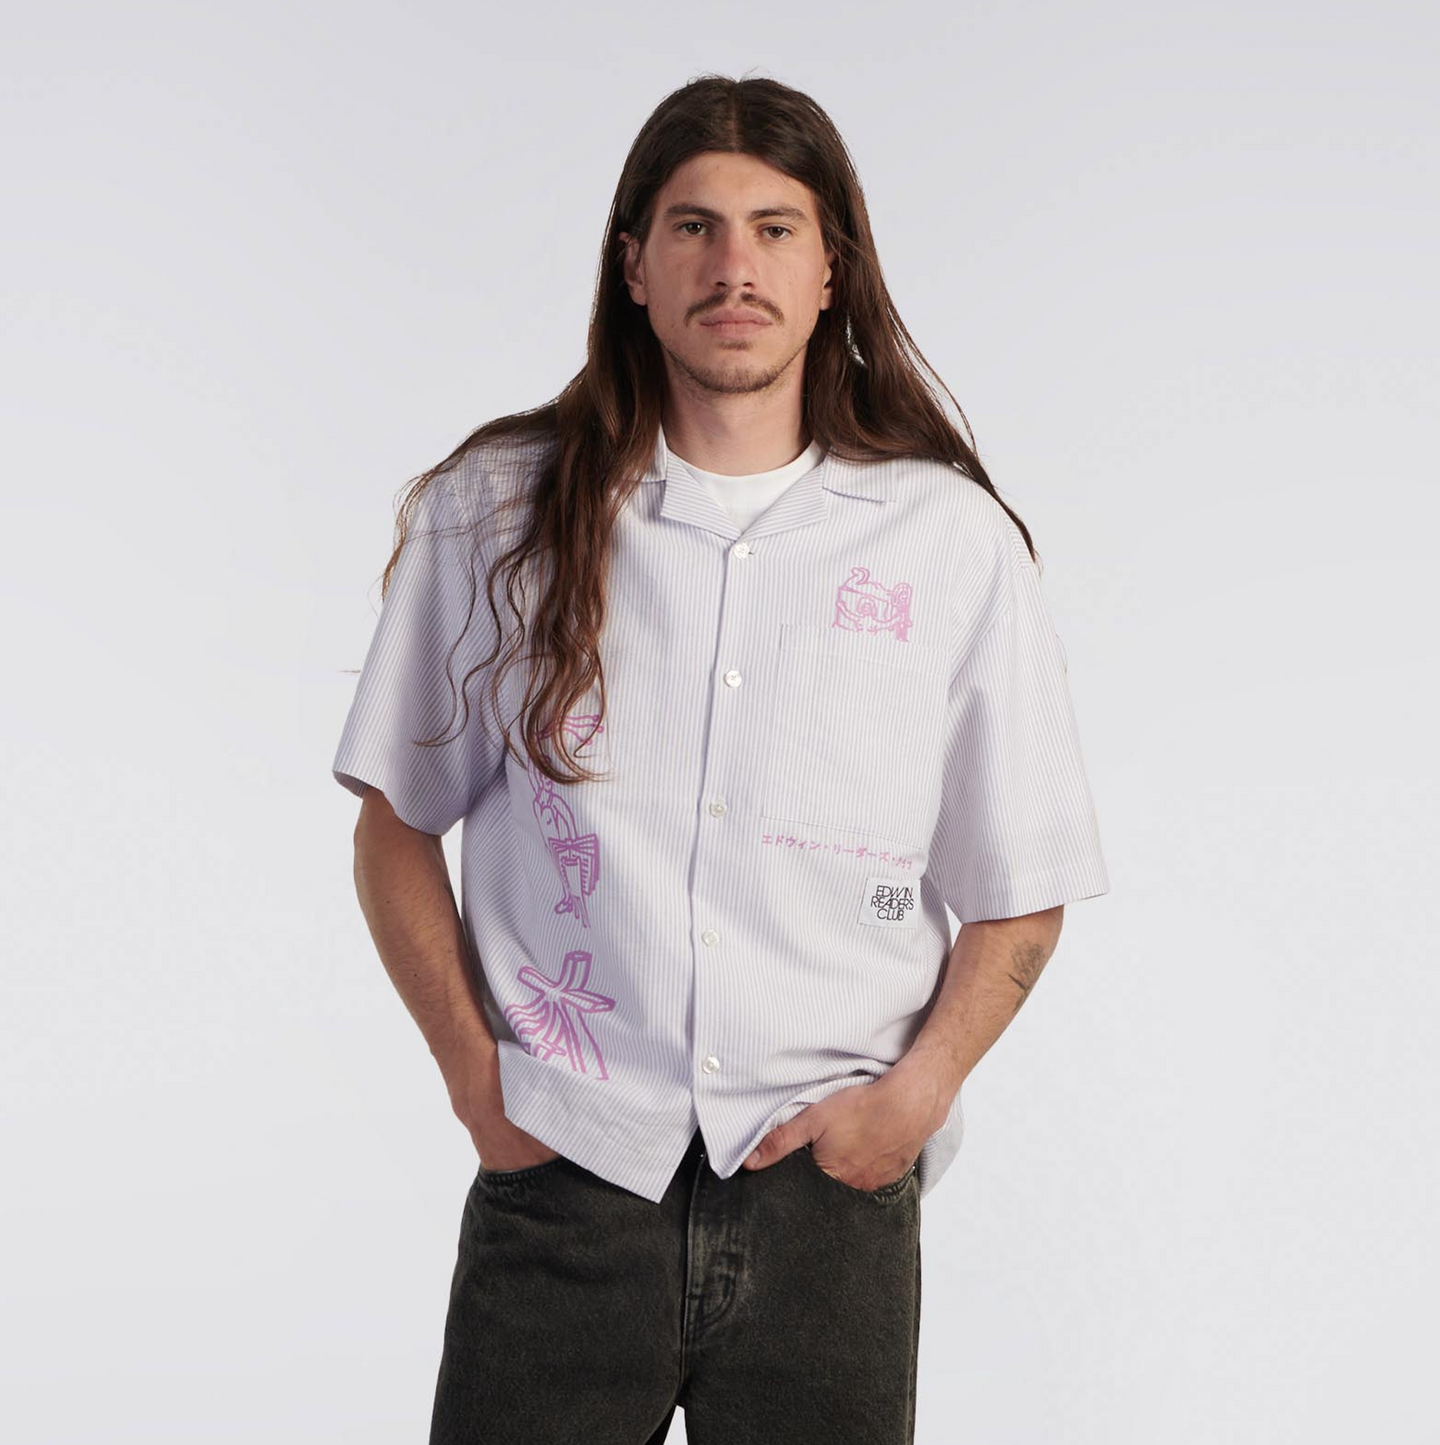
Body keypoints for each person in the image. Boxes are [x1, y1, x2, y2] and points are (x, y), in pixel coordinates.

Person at [331, 73, 1109, 1445]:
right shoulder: (497, 513)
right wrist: (476, 1083)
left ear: (831, 270)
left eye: (775, 228)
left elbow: (1021, 885)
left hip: (829, 1201)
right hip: (570, 1172)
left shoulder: (950, 544)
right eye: (694, 227)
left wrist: (915, 1100)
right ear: (633, 266)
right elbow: (395, 829)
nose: (733, 267)